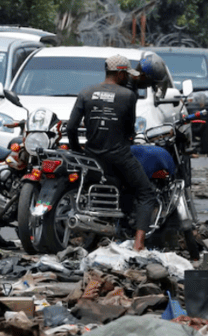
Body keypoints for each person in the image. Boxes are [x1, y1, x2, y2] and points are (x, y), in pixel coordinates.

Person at [67, 55, 155, 252]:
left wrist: (78, 152)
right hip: (119, 156)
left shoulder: (86, 92)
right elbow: (129, 131)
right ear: (121, 73)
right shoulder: (128, 96)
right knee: (146, 193)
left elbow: (71, 128)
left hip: (92, 157)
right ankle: (139, 243)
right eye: (127, 75)